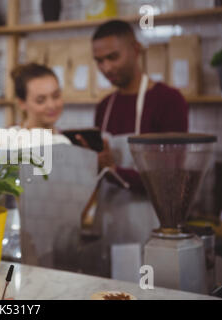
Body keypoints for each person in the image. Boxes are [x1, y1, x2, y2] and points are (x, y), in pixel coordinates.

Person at [80, 20, 189, 267]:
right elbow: (98, 173)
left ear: (136, 49)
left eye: (113, 57)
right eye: (99, 60)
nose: (106, 67)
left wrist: (116, 170)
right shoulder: (104, 107)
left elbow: (171, 179)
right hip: (108, 222)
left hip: (151, 225)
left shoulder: (168, 101)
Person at [11, 63, 65, 133]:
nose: (51, 105)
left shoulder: (62, 138)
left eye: (56, 96)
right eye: (40, 100)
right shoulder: (12, 141)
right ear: (22, 103)